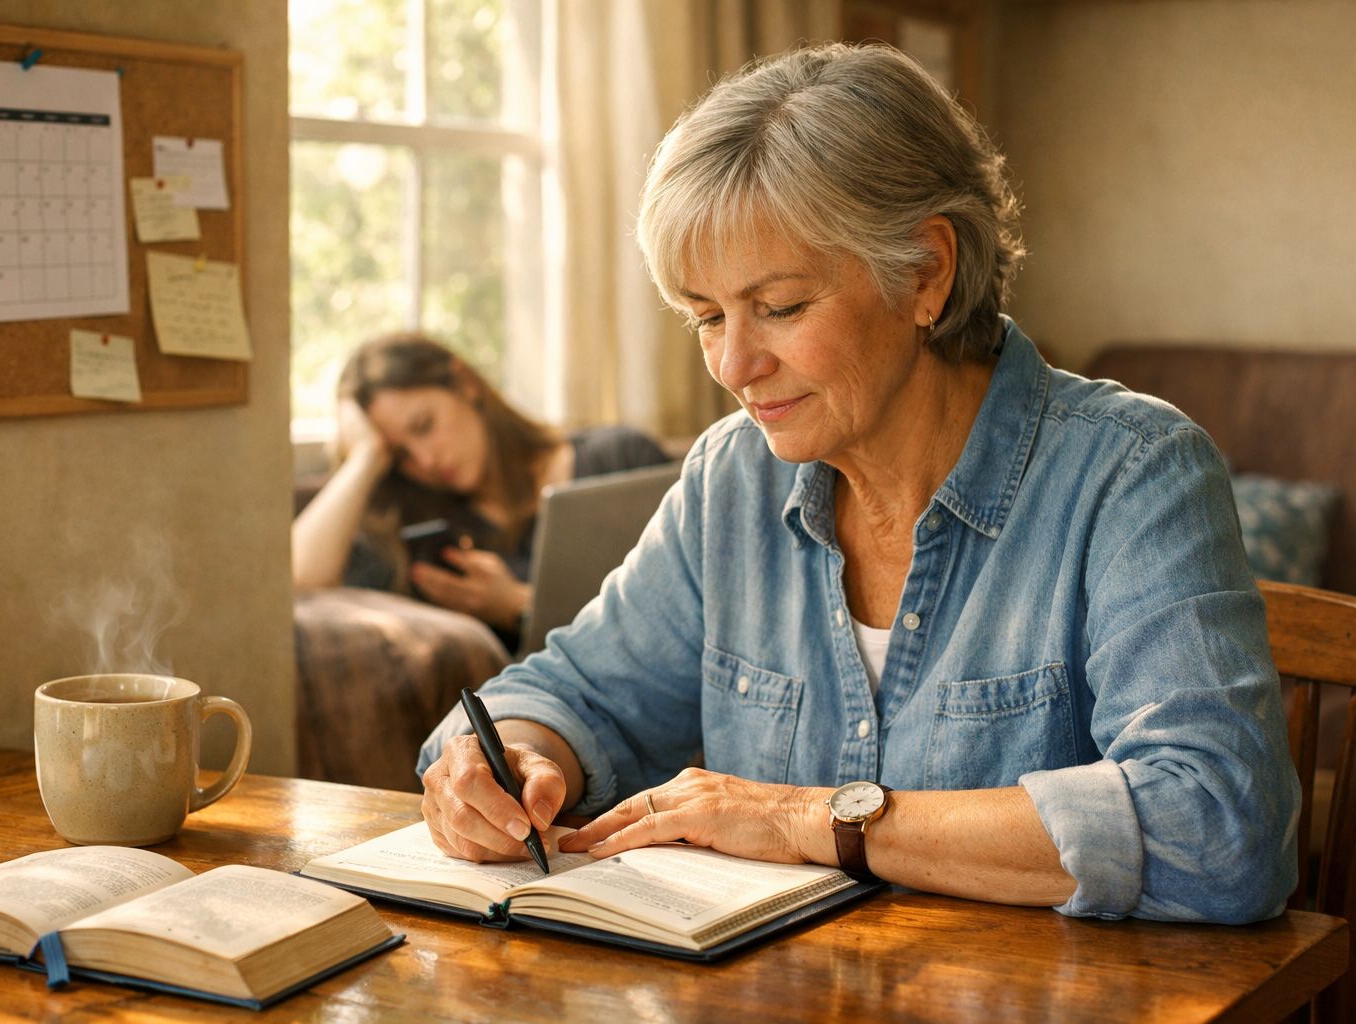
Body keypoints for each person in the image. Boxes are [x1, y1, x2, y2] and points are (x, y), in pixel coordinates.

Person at [415, 43, 1299, 924]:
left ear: (925, 273)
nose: (733, 363)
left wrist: (808, 819)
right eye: (706, 317)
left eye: (781, 307)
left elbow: (1220, 830)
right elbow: (575, 691)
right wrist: (509, 759)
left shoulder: (1133, 470)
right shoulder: (733, 478)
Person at [292, 332, 669, 649]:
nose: (424, 460)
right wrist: (366, 457)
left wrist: (518, 605)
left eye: (424, 426)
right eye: (400, 454)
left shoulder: (620, 458)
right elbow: (300, 580)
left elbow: (687, 606)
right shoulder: (425, 529)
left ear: (465, 383)